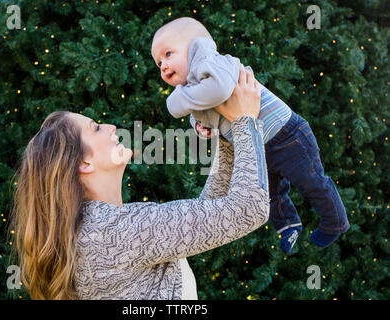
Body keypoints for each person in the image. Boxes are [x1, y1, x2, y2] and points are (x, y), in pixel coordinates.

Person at [10, 67, 269, 299]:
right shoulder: (115, 232)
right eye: (96, 128)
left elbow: (212, 213)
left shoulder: (99, 230)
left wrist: (225, 134)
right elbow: (248, 209)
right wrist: (245, 121)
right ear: (84, 164)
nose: (111, 127)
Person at [150, 17, 350, 254]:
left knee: (312, 183)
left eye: (168, 54)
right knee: (271, 193)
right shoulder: (194, 87)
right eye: (158, 62)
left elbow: (220, 90)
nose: (163, 65)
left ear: (195, 46)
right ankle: (289, 225)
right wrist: (200, 126)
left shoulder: (211, 64)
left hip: (287, 135)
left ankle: (336, 222)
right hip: (260, 143)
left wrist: (175, 102)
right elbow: (204, 111)